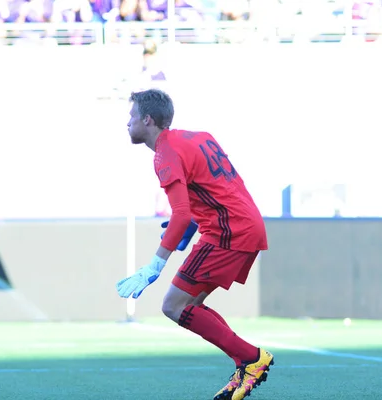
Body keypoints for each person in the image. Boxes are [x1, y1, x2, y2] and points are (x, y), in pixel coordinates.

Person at [116, 88, 274, 400]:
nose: (128, 122)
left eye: (131, 116)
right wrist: (189, 228)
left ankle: (252, 359)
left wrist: (154, 265)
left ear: (148, 119)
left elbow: (181, 213)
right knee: (189, 306)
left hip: (228, 231)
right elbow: (211, 190)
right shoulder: (198, 136)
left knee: (172, 306)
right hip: (242, 225)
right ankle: (245, 363)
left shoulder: (165, 154)